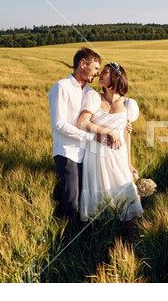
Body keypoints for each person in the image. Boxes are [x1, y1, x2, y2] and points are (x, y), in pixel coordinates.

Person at [49, 48, 128, 220]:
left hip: (87, 156)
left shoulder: (89, 93)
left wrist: (124, 125)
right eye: (95, 68)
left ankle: (81, 237)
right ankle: (66, 239)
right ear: (83, 64)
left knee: (83, 203)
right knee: (71, 203)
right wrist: (92, 137)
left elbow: (102, 116)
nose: (97, 74)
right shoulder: (62, 87)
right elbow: (59, 125)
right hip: (67, 152)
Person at [77, 62, 142, 240]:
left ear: (115, 76)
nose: (99, 75)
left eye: (104, 72)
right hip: (95, 157)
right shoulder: (94, 97)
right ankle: (99, 241)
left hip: (118, 157)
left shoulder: (129, 104)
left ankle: (132, 241)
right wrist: (107, 131)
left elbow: (126, 136)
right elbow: (83, 123)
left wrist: (128, 163)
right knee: (98, 200)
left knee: (128, 194)